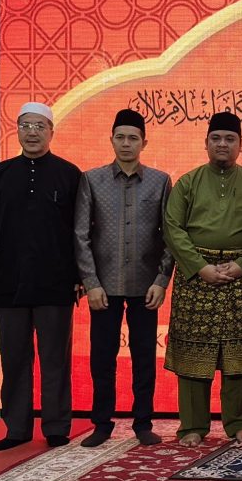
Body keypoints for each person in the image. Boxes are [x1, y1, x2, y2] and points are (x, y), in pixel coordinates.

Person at [0, 102, 83, 450]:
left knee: (55, 359)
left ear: (51, 132)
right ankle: (17, 429)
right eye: (25, 126)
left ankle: (56, 426)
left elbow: (80, 232)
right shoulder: (1, 174)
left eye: (39, 126)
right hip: (9, 281)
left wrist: (81, 276)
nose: (32, 133)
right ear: (16, 130)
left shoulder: (69, 174)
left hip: (56, 282)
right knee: (15, 358)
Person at [162, 111, 242, 447]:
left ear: (241, 145)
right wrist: (199, 267)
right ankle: (192, 425)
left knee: (238, 354)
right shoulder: (188, 183)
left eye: (230, 139)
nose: (223, 144)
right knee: (193, 353)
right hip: (196, 277)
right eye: (216, 138)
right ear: (206, 143)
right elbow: (172, 228)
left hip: (239, 276)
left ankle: (240, 423)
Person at [73, 108, 174, 448]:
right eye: (120, 137)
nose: (126, 143)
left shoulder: (160, 181)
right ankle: (102, 424)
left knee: (144, 356)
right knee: (102, 357)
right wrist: (91, 283)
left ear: (144, 142)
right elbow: (81, 235)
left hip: (146, 286)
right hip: (104, 286)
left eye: (133, 138)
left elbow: (170, 235)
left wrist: (161, 279)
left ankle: (143, 422)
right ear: (111, 140)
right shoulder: (92, 180)